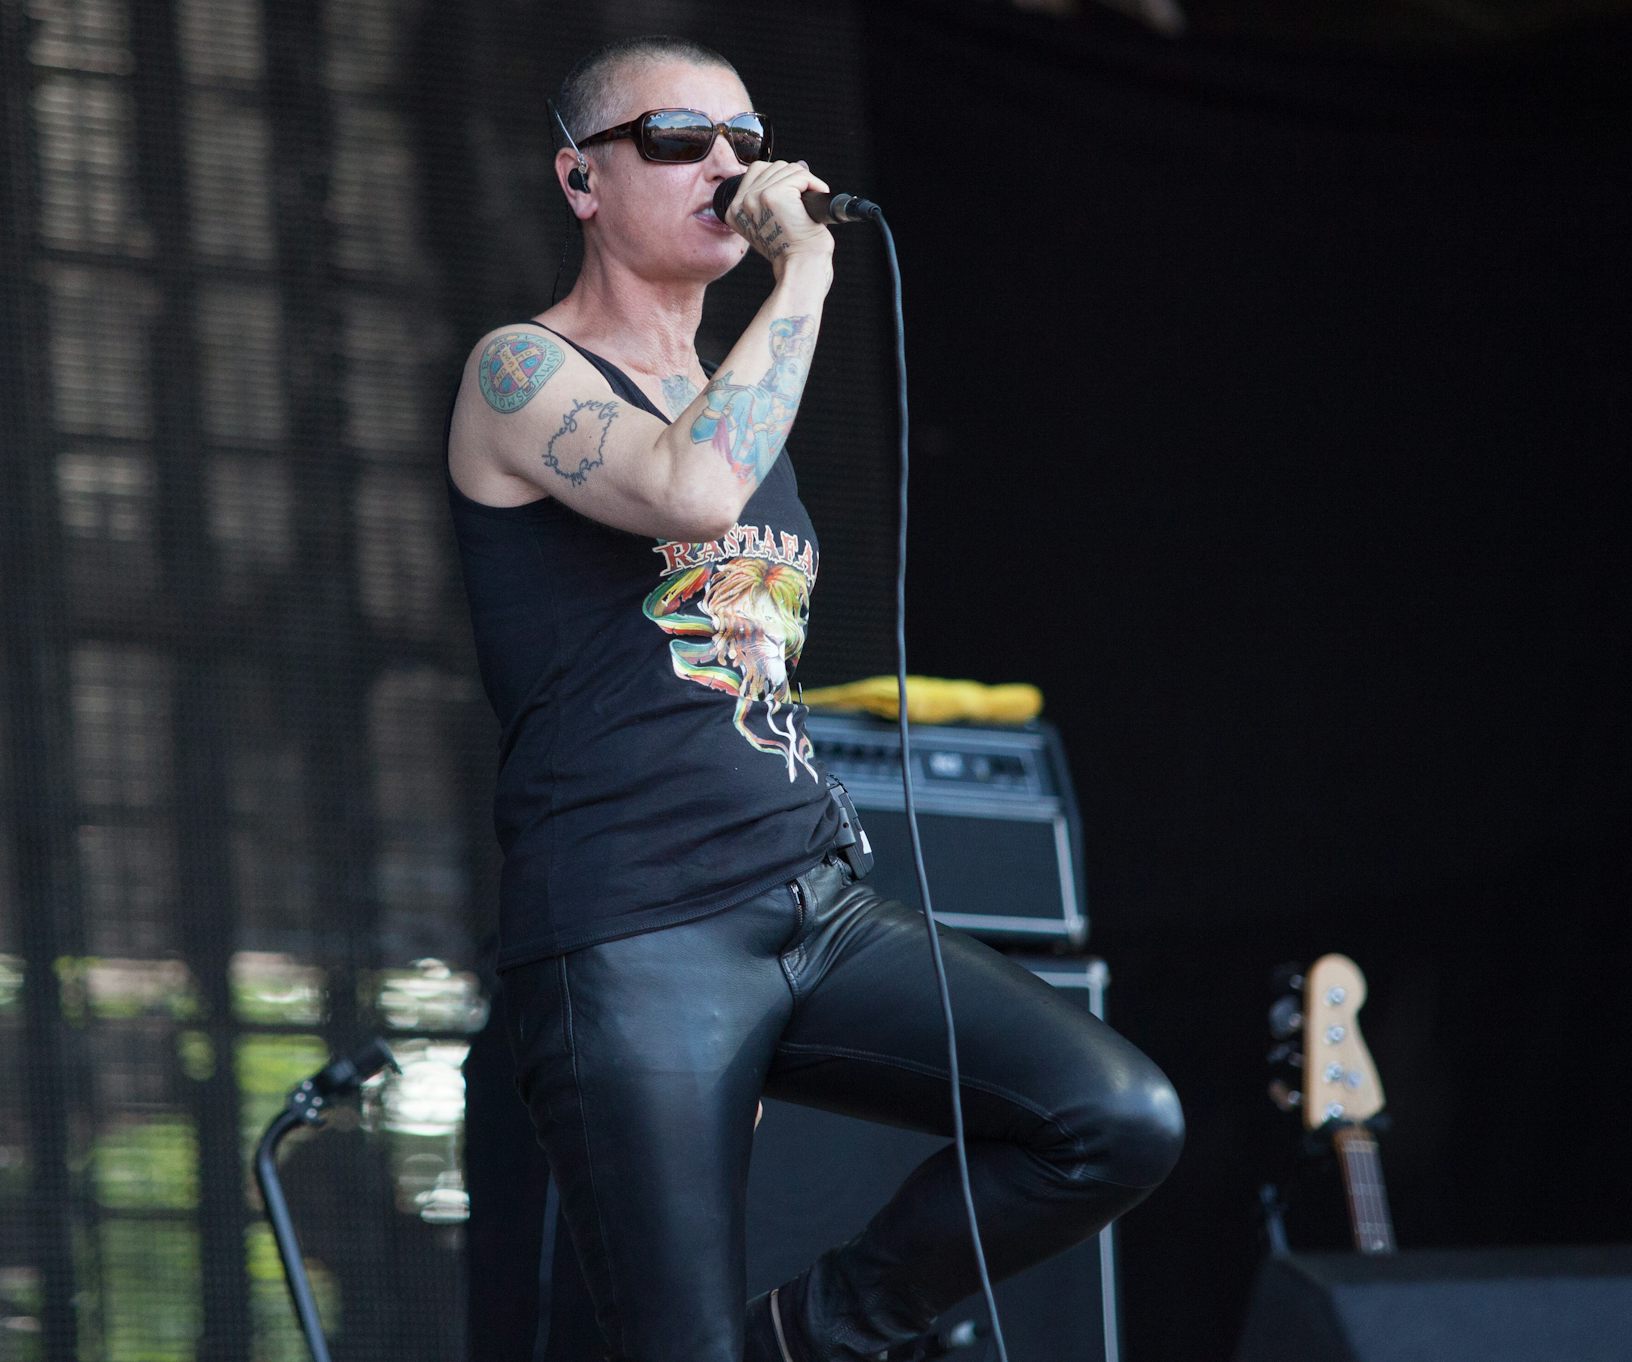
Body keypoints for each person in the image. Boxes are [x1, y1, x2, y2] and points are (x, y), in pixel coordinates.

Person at [444, 35, 1184, 1362]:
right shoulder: (520, 372)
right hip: (634, 932)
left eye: (746, 141)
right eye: (679, 140)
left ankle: (814, 1336)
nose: (728, 168)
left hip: (809, 901)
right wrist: (809, 267)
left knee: (1117, 1115)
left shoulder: (742, 397)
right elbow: (689, 491)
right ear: (580, 180)